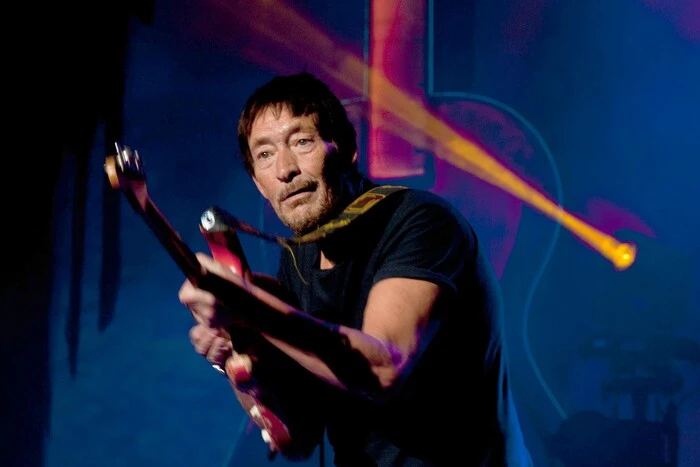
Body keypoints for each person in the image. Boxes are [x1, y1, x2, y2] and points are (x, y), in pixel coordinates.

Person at [178, 71, 529, 466]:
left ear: (346, 149)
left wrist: (250, 307)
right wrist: (236, 349)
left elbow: (384, 369)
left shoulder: (420, 222)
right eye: (265, 155)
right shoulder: (299, 259)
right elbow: (298, 439)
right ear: (259, 184)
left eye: (302, 142)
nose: (284, 169)